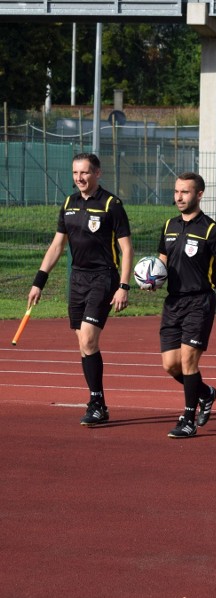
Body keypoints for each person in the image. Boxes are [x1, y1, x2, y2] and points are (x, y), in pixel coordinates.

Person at [27, 153, 134, 426]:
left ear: (97, 173)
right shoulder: (68, 203)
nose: (80, 178)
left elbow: (126, 248)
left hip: (103, 277)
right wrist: (39, 281)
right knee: (84, 344)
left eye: (85, 173)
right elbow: (56, 246)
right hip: (78, 279)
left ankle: (96, 402)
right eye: (76, 173)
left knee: (88, 339)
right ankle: (98, 403)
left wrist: (123, 286)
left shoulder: (112, 204)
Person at [156, 172, 216, 439]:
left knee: (188, 361)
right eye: (177, 191)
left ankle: (188, 418)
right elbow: (162, 262)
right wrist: (152, 278)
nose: (179, 197)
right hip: (173, 302)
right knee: (171, 365)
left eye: (185, 192)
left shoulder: (212, 231)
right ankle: (205, 393)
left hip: (199, 302)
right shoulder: (169, 225)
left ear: (199, 194)